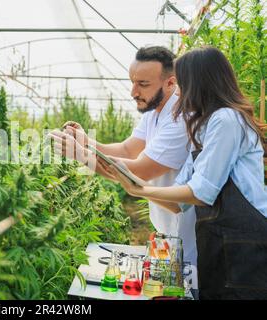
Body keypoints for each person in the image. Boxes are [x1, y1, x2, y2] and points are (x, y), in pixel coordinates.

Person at [103, 46, 267, 300]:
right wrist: (134, 185)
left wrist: (140, 188)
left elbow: (202, 192)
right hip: (217, 237)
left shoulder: (227, 120)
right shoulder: (202, 126)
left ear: (199, 83)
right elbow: (180, 202)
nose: (177, 92)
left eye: (181, 84)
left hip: (243, 240)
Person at [50, 46, 199, 291]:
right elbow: (127, 150)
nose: (133, 92)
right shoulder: (154, 112)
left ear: (171, 82)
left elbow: (137, 172)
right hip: (168, 230)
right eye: (132, 82)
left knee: (184, 292)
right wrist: (86, 141)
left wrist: (79, 153)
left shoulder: (180, 118)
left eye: (142, 84)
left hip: (189, 237)